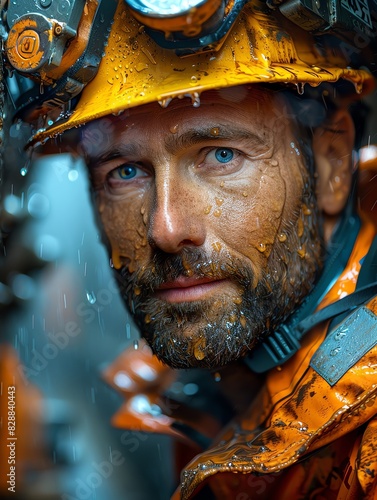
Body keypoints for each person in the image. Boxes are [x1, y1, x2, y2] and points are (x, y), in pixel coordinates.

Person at [4, 0, 377, 498]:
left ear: (332, 161)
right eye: (126, 172)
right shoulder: (199, 385)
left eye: (221, 155)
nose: (165, 228)